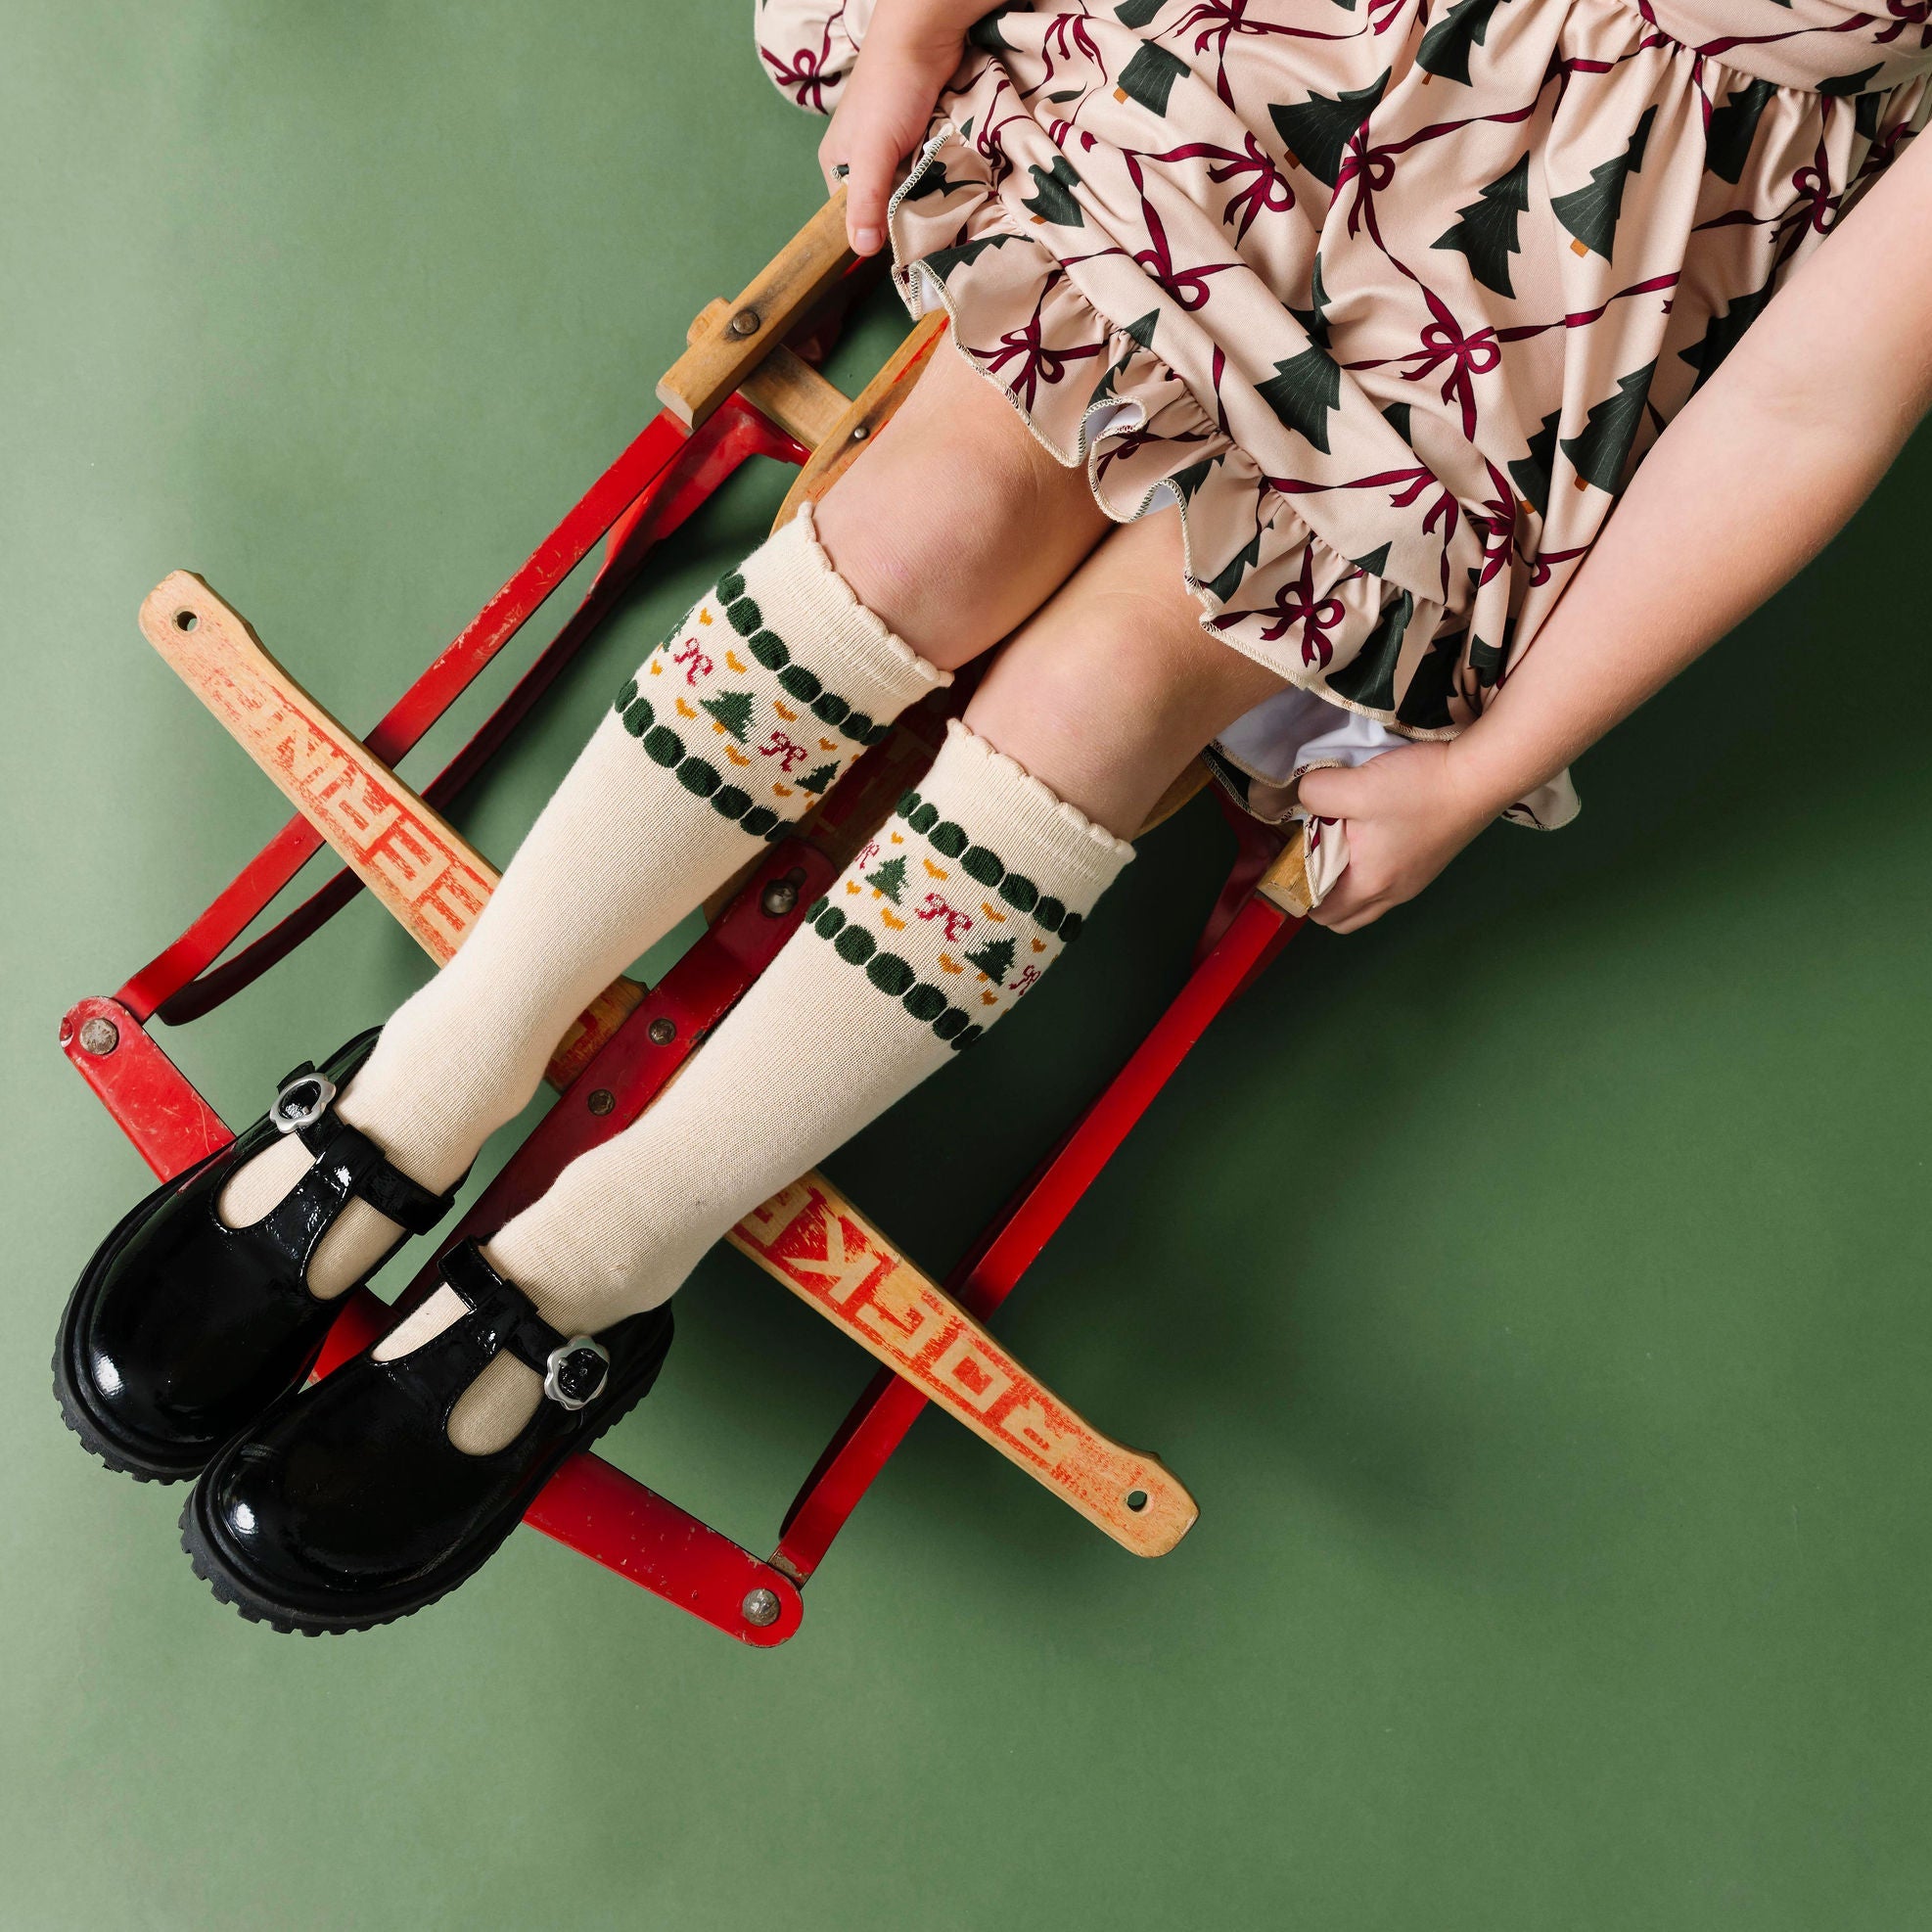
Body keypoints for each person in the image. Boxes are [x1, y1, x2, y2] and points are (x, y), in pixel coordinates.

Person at [56, 0, 1932, 1633]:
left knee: (1107, 699)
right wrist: (913, 28)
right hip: (1244, 87)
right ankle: (435, 1067)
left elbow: (1816, 399)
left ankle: (605, 1254)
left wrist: (1482, 758)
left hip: (1526, 335)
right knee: (931, 521)